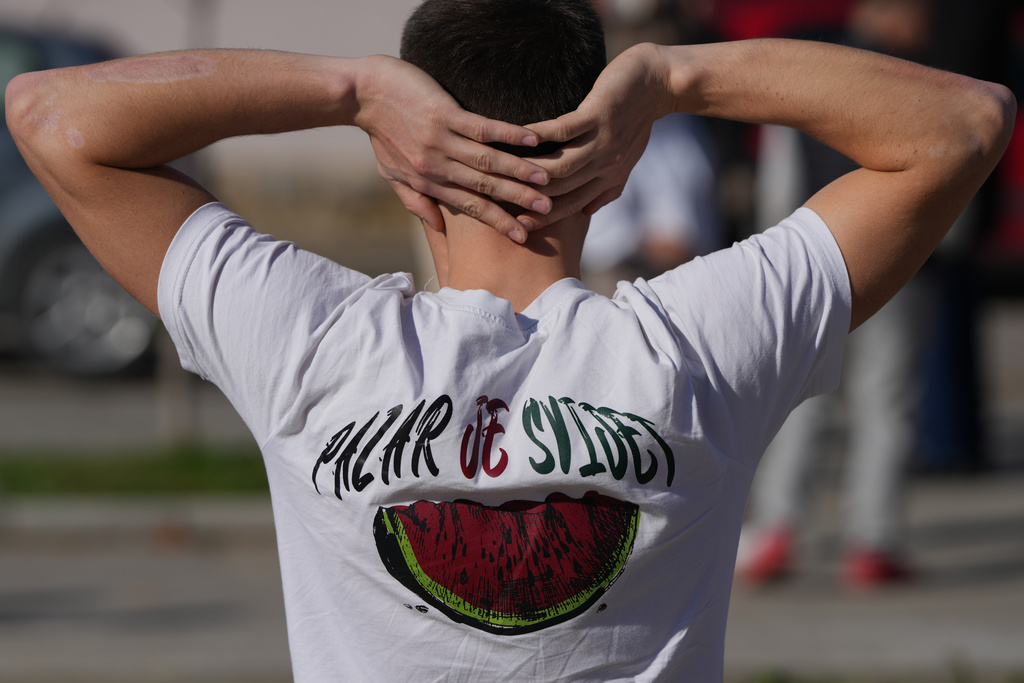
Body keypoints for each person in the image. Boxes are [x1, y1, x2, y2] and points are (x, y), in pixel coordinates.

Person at [6, 0, 1013, 680]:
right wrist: (668, 79)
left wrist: (353, 92)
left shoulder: (307, 338)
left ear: (406, 173)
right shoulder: (701, 344)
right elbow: (962, 121)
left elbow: (50, 113)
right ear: (615, 168)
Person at [737, 0, 940, 591]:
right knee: (886, 401)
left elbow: (778, 173)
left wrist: (773, 251)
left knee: (802, 395)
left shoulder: (813, 67)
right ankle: (872, 541)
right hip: (899, 258)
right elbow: (953, 169)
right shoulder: (920, 80)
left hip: (814, 258)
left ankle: (778, 527)